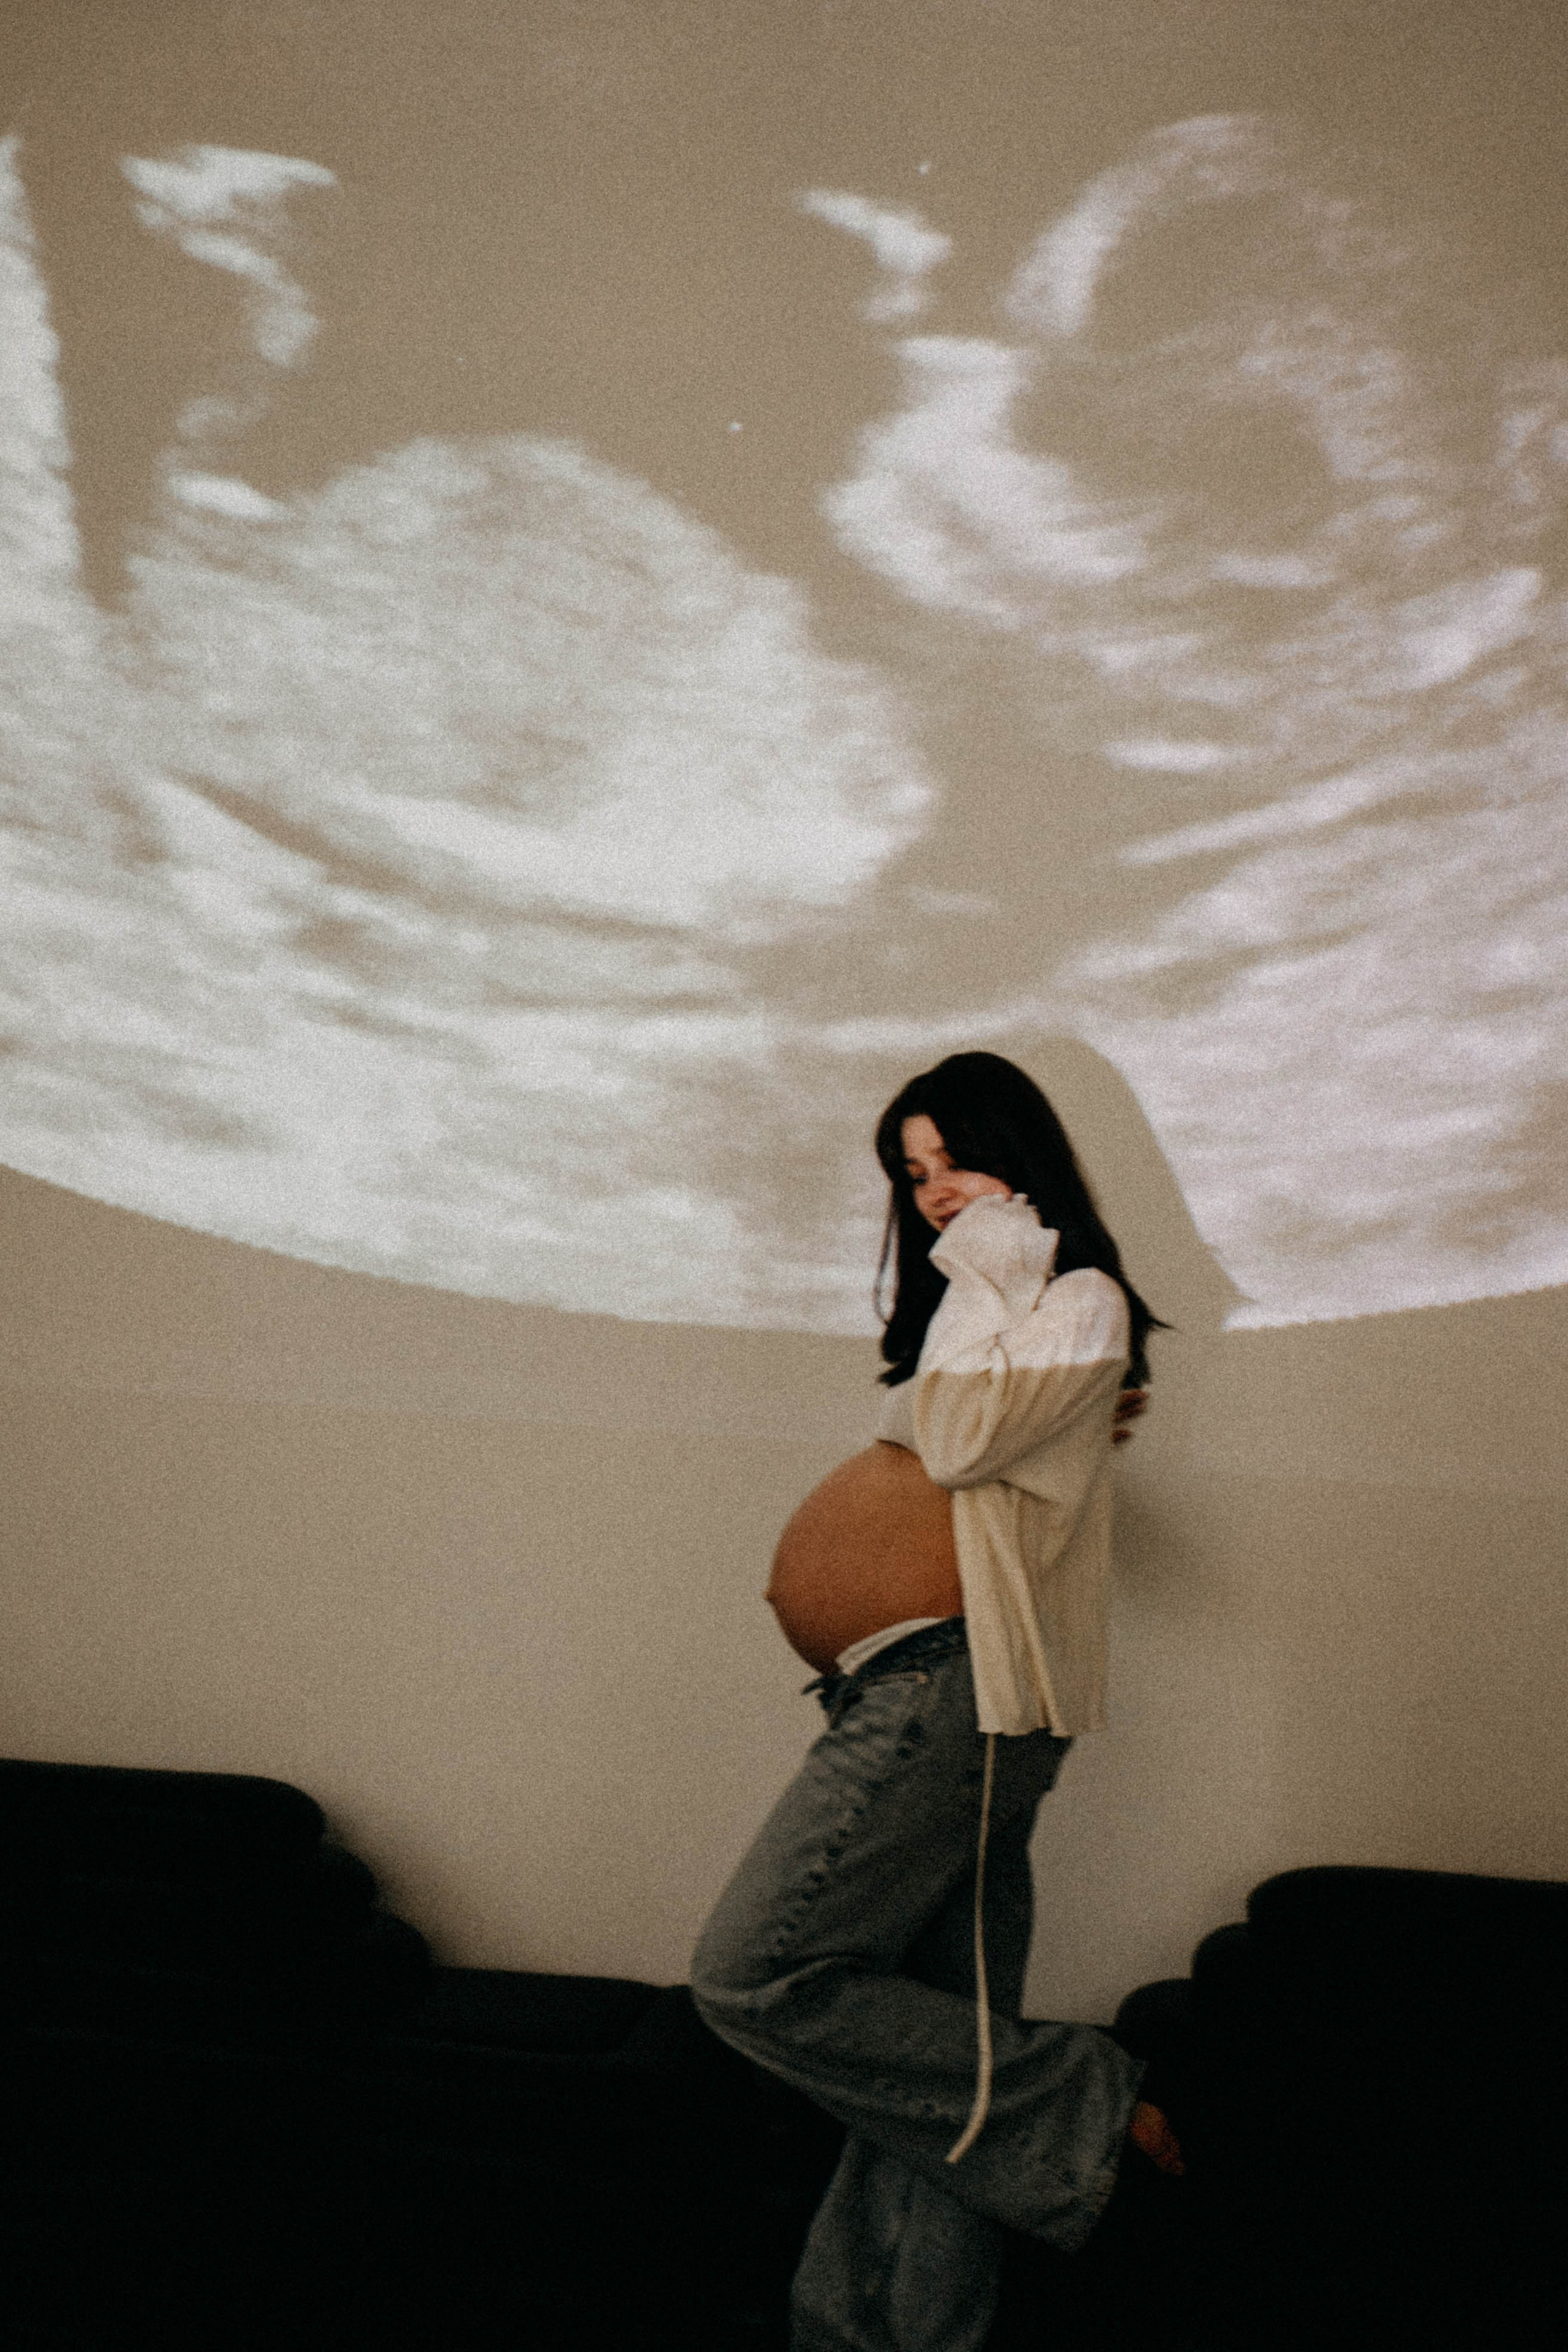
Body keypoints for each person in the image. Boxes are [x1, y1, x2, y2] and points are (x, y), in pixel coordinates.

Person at [689, 1050, 1182, 2352]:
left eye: (951, 1160)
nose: (932, 1197)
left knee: (751, 1976)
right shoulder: (1004, 1306)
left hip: (959, 1690)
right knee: (933, 2061)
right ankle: (886, 2334)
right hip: (910, 1696)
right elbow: (964, 1426)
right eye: (910, 1178)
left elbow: (958, 1446)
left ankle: (1082, 2098)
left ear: (1018, 1153)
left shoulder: (1071, 1296)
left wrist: (993, 1255)